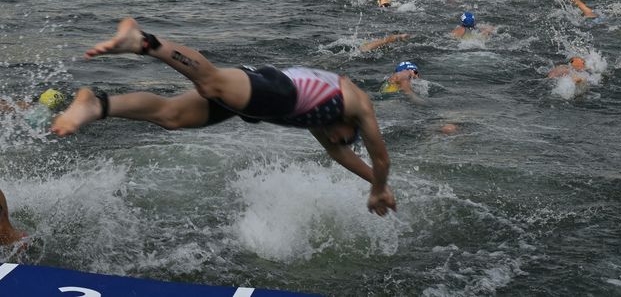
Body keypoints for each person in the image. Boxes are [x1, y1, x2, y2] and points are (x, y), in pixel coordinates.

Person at [51, 18, 396, 217]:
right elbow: (380, 157)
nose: (337, 142)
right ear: (351, 126)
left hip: (260, 102)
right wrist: (379, 185)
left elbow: (342, 157)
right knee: (211, 83)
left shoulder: (325, 126)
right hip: (277, 89)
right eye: (345, 138)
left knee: (171, 116)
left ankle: (97, 105)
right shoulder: (356, 104)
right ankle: (144, 42)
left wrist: (377, 187)